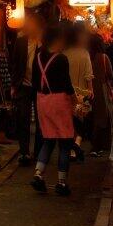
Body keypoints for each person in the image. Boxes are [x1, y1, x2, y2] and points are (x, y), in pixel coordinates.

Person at [30, 26, 76, 196]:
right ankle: (61, 183)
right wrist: (76, 99)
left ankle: (38, 174)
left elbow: (35, 82)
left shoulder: (37, 57)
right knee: (65, 143)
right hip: (59, 102)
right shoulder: (61, 59)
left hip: (42, 101)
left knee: (48, 140)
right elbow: (67, 84)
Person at [10, 12, 44, 166]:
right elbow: (15, 64)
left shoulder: (44, 44)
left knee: (40, 121)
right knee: (22, 118)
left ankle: (38, 152)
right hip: (23, 85)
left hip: (39, 87)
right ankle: (24, 152)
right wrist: (13, 85)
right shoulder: (21, 42)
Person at [63, 23, 94, 160]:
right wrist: (91, 90)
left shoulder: (64, 53)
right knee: (80, 121)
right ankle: (76, 145)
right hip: (82, 93)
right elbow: (88, 75)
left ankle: (71, 148)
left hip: (66, 93)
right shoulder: (84, 53)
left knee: (70, 121)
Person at [89, 34, 113, 156]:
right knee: (103, 117)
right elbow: (110, 74)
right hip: (101, 90)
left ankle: (94, 145)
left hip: (88, 90)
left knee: (93, 117)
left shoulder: (87, 56)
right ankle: (98, 146)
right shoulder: (103, 57)